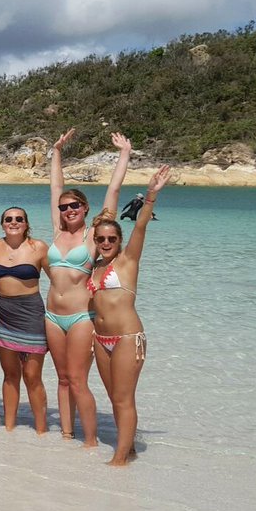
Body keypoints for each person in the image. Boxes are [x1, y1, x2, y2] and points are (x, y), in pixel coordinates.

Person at [46, 129, 132, 445]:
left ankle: (91, 440)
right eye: (64, 207)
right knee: (63, 379)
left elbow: (114, 190)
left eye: (74, 206)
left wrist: (124, 154)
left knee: (79, 380)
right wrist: (56, 150)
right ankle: (67, 434)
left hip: (82, 317)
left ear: (84, 208)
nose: (68, 210)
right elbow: (56, 186)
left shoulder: (93, 235)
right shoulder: (57, 231)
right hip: (51, 315)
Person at [90, 165, 171, 466]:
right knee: (114, 397)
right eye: (101, 239)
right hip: (100, 339)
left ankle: (121, 457)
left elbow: (140, 226)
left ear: (119, 241)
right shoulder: (96, 266)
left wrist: (150, 195)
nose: (107, 243)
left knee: (124, 399)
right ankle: (130, 446)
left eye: (112, 238)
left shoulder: (127, 261)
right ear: (95, 241)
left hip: (126, 338)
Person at [0, 206, 49, 433]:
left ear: (26, 223)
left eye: (19, 219)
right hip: (1, 312)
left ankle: (42, 429)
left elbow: (60, 282)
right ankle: (9, 429)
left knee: (32, 375)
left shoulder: (38, 247)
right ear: (2, 223)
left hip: (31, 313)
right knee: (10, 374)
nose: (14, 222)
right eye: (9, 219)